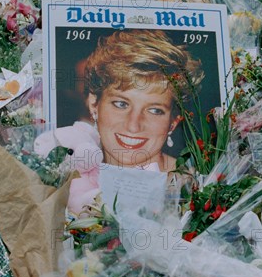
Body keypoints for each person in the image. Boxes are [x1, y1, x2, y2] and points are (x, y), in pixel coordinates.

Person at [34, 29, 204, 214]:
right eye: (121, 104)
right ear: (93, 104)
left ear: (173, 122)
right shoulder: (66, 177)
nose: (133, 125)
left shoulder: (193, 190)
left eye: (155, 110)